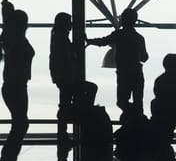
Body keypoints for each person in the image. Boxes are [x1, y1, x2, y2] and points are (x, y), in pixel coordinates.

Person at [86, 8, 148, 113]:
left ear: (123, 20)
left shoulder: (119, 35)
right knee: (138, 102)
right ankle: (136, 119)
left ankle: (132, 116)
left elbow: (103, 41)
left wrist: (89, 41)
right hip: (137, 72)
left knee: (122, 101)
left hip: (124, 73)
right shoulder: (139, 38)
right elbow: (144, 58)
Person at [0, 0, 35, 161]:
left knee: (20, 123)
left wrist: (6, 11)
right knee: (21, 123)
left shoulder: (12, 38)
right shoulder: (16, 40)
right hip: (16, 86)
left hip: (15, 86)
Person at [49, 12, 97, 143]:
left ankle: (63, 132)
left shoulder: (58, 38)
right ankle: (80, 114)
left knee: (64, 104)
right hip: (67, 78)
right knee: (90, 89)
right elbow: (67, 59)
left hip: (63, 78)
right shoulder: (62, 39)